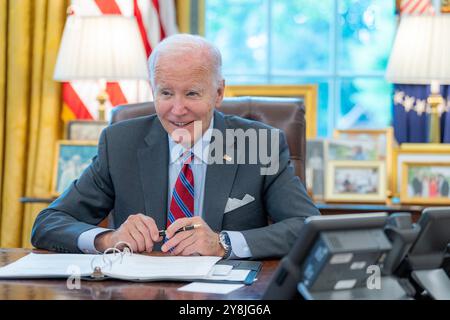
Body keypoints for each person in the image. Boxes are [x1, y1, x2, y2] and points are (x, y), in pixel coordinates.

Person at [31, 34, 319, 259]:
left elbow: (306, 226)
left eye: (192, 93)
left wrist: (223, 243)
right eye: (166, 93)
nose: (177, 109)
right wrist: (108, 238)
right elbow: (48, 224)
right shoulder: (120, 143)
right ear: (152, 89)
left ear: (218, 93)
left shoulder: (259, 144)